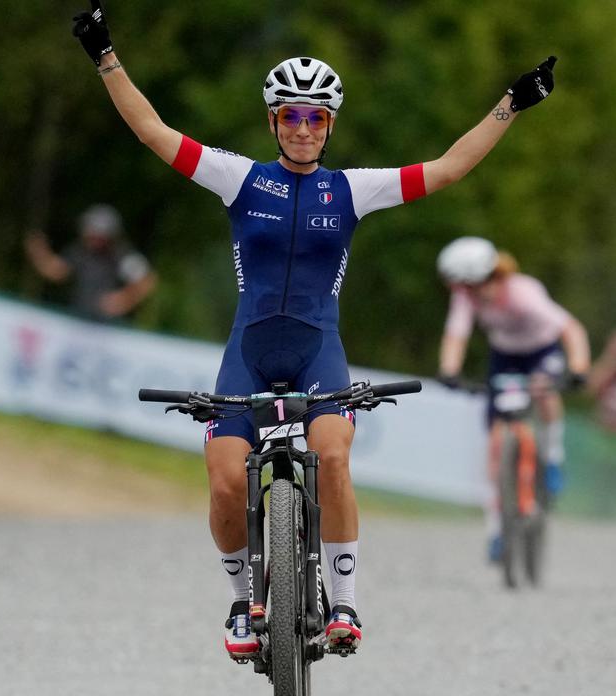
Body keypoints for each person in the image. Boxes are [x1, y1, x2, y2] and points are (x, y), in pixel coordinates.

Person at [70, 1, 557, 658]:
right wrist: (106, 57)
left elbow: (446, 169)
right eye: (291, 116)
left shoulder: (352, 190)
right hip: (249, 349)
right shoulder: (239, 177)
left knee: (331, 456)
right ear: (274, 121)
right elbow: (154, 132)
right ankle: (244, 600)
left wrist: (511, 104)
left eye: (316, 117)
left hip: (317, 349)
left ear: (330, 125)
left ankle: (346, 604)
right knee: (222, 479)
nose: (303, 128)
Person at [435, 237, 589, 561]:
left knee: (544, 388)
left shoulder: (523, 294)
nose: (466, 294)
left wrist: (578, 368)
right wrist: (449, 370)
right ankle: (496, 531)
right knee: (494, 439)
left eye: (469, 286)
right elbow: (456, 334)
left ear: (487, 277)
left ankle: (553, 458)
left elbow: (572, 330)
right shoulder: (467, 296)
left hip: (541, 351)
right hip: (504, 355)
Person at [25, 203, 157, 322]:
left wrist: (123, 299)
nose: (91, 237)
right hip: (79, 320)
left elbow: (147, 282)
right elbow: (57, 272)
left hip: (109, 327)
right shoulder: (80, 251)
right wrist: (40, 253)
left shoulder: (121, 255)